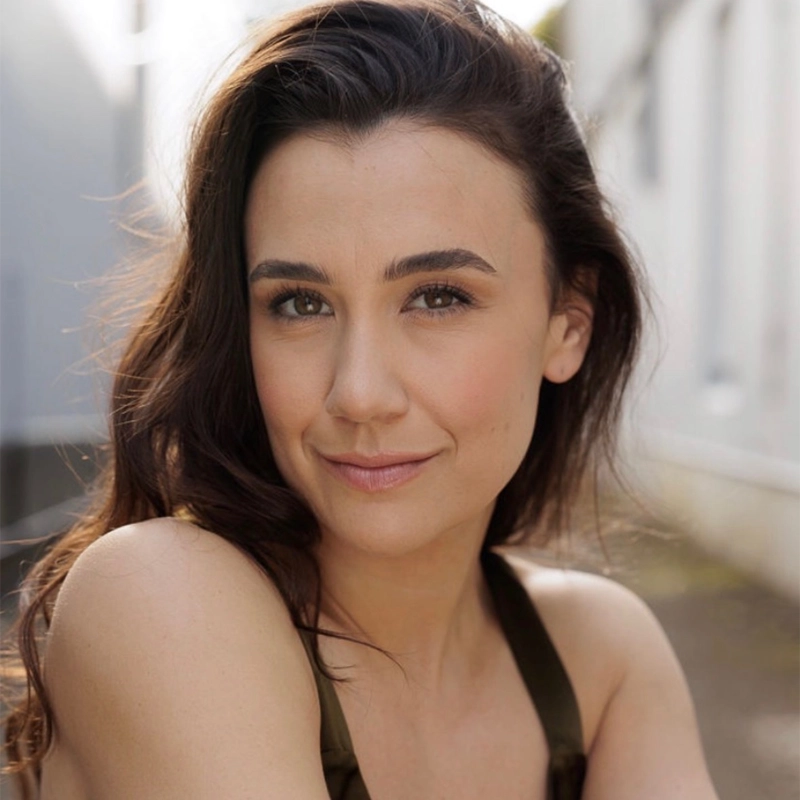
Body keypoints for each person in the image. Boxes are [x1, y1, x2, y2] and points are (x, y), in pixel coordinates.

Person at [4, 0, 719, 797]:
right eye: (300, 304)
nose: (361, 394)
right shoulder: (160, 599)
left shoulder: (599, 659)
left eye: (438, 297)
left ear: (568, 323)